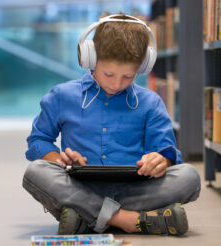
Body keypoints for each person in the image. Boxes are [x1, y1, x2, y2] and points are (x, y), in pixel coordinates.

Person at [22, 14, 201, 235]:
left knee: (189, 177)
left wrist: (160, 160)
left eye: (128, 76)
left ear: (142, 67)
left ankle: (86, 217)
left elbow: (166, 151)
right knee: (35, 172)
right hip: (79, 186)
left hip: (134, 190)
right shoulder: (62, 96)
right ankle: (129, 219)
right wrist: (60, 160)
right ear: (91, 58)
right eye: (109, 74)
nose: (117, 84)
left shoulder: (150, 102)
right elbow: (38, 140)